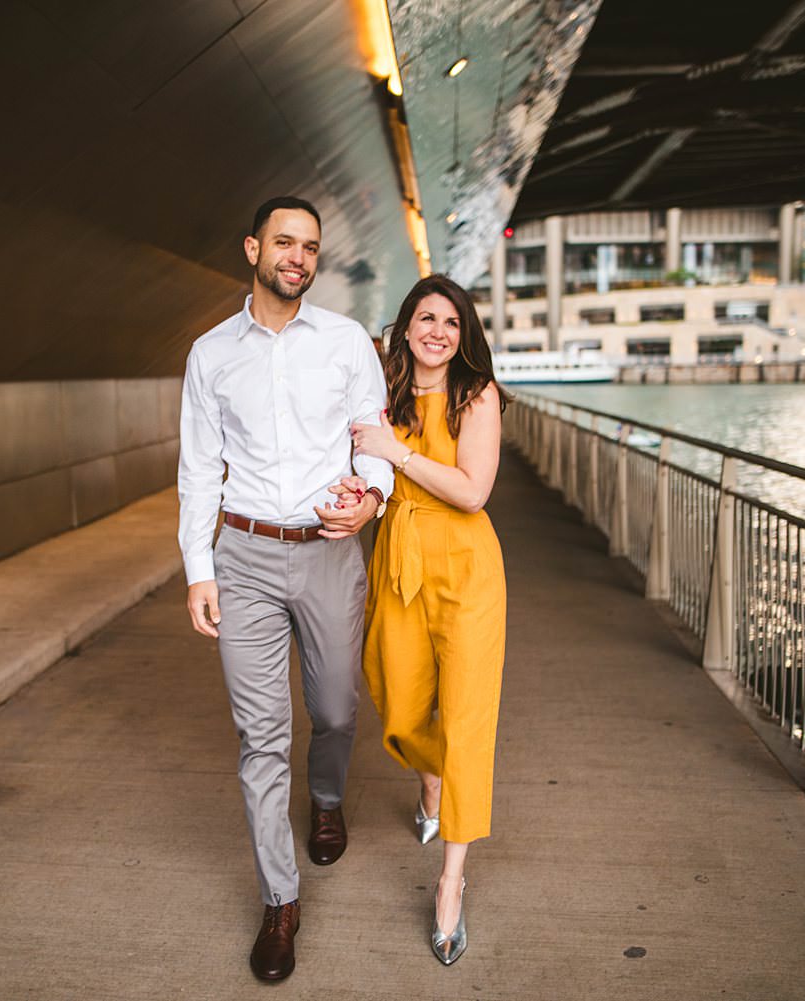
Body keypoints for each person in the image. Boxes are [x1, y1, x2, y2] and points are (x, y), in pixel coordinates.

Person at [176, 196, 394, 982]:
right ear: (252, 249)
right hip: (244, 555)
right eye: (283, 242)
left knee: (335, 708)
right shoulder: (210, 354)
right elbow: (199, 467)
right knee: (261, 735)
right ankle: (280, 898)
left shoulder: (343, 343)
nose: (297, 256)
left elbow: (374, 441)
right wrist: (199, 568)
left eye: (309, 245)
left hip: (330, 552)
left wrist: (371, 496)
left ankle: (327, 795)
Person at [340, 273, 509, 966]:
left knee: (466, 721)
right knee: (400, 708)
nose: (438, 330)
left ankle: (450, 881)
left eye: (451, 321)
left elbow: (473, 491)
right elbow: (371, 470)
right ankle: (431, 778)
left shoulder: (477, 395)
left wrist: (398, 453)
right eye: (426, 318)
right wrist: (361, 490)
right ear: (405, 327)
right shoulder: (387, 394)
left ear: (464, 334)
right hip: (400, 560)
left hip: (468, 571)